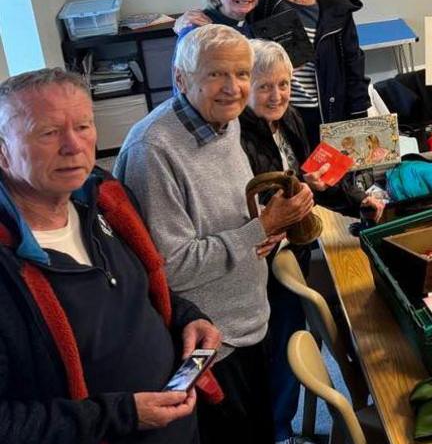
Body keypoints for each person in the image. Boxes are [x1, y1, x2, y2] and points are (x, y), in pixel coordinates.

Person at [115, 25, 316, 444]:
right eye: (216, 75)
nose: (233, 88)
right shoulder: (152, 150)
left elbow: (227, 222)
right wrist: (261, 228)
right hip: (210, 344)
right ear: (181, 78)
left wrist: (267, 224)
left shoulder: (227, 124)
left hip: (251, 323)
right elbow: (170, 270)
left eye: (242, 74)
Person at [0, 68, 222, 444]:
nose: (74, 146)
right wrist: (122, 415)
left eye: (84, 127)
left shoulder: (104, 199)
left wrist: (188, 317)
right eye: (49, 132)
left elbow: (136, 291)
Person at [237, 39, 384, 443]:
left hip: (294, 247)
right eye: (264, 86)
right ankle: (278, 431)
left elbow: (315, 182)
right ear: (245, 88)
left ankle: (280, 426)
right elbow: (266, 204)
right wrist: (303, 187)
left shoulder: (291, 120)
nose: (277, 95)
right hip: (262, 260)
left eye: (283, 84)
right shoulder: (237, 141)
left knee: (287, 340)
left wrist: (360, 203)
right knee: (279, 349)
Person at [249, 0, 371, 146]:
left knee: (329, 177)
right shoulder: (261, 1)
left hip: (326, 113)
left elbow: (353, 64)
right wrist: (190, 20)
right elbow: (227, 10)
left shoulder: (336, 8)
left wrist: (358, 114)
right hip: (278, 113)